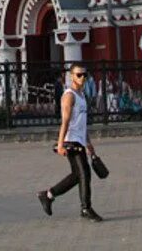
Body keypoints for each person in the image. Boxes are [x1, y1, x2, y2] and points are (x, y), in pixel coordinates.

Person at [37, 62, 102, 222]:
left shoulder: (82, 96)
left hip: (80, 140)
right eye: (79, 75)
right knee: (84, 174)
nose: (82, 78)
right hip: (71, 141)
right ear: (71, 76)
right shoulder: (69, 96)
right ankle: (85, 208)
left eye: (85, 75)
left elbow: (82, 123)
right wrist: (60, 144)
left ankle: (48, 195)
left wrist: (88, 143)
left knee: (77, 175)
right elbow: (65, 121)